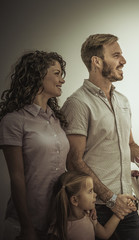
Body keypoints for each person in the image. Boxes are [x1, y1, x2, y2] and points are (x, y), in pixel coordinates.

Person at [61, 33, 139, 240]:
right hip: (95, 208)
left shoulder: (122, 101)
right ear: (97, 61)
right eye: (116, 55)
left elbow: (129, 144)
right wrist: (110, 199)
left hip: (126, 203)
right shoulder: (78, 104)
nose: (123, 61)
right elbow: (74, 160)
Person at [0, 51, 69, 240]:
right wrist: (26, 226)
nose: (62, 80)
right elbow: (16, 177)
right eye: (56, 73)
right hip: (25, 224)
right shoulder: (14, 121)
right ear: (38, 75)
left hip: (55, 222)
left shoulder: (57, 119)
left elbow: (63, 171)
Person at [49, 171, 136, 240]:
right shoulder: (60, 230)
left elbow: (105, 234)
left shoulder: (89, 215)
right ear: (75, 200)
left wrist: (120, 212)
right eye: (90, 191)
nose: (95, 195)